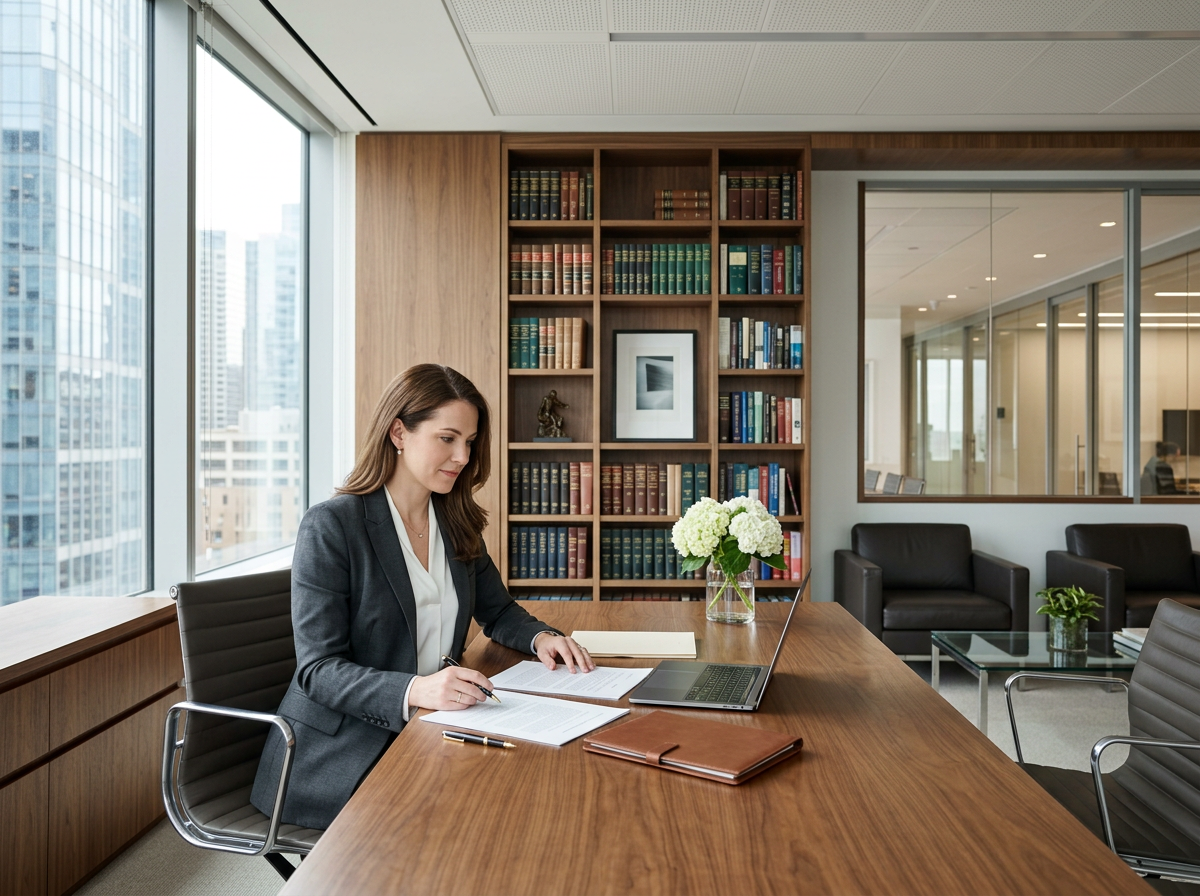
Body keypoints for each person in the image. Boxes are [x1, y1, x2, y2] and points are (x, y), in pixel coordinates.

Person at [250, 364, 594, 830]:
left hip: (431, 727)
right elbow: (318, 671)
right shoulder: (333, 525)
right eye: (447, 438)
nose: (462, 456)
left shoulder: (455, 521)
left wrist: (541, 639)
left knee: (535, 787)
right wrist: (416, 689)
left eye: (469, 443)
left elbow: (498, 610)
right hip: (340, 749)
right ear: (399, 432)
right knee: (481, 815)